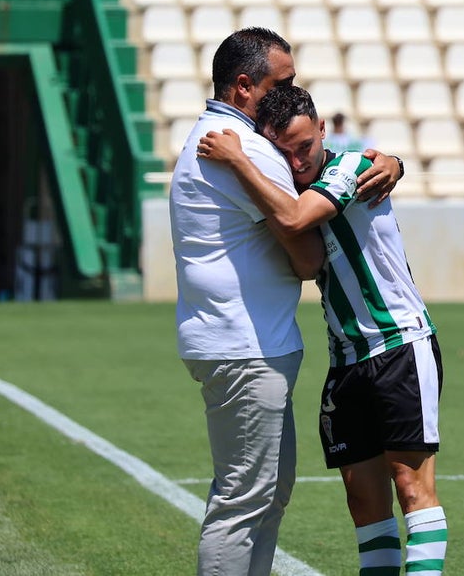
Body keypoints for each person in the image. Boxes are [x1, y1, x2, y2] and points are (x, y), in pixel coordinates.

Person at [169, 28, 402, 576]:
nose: (289, 94)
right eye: (282, 83)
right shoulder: (244, 146)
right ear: (244, 86)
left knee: (262, 496)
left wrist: (389, 161)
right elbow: (306, 257)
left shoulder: (220, 137)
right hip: (244, 344)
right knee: (244, 502)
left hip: (235, 339)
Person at [197, 85, 448, 576]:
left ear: (323, 131)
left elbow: (293, 219)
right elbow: (307, 261)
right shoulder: (293, 185)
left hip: (399, 342)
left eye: (304, 147)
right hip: (345, 359)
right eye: (283, 153)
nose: (296, 162)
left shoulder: (351, 168)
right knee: (362, 501)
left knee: (411, 486)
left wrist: (237, 159)